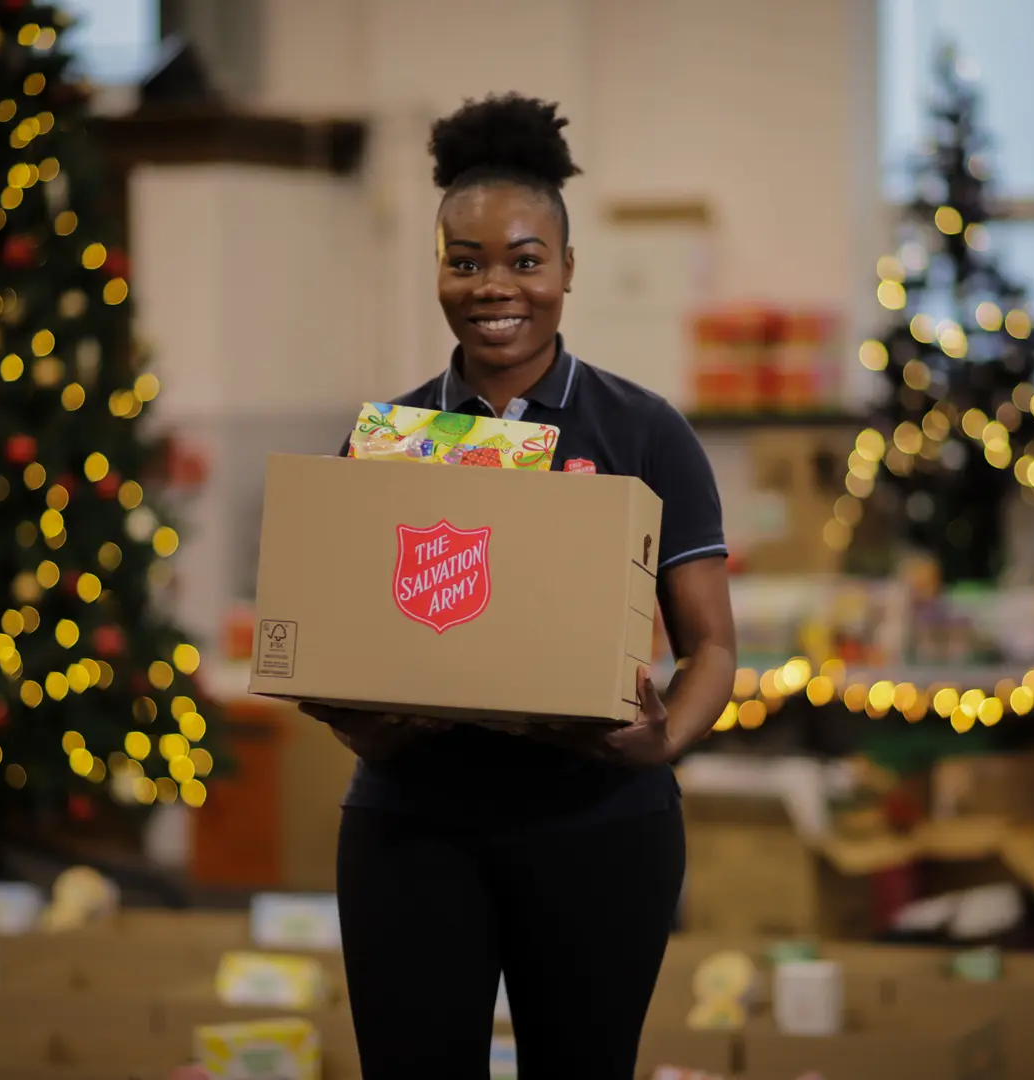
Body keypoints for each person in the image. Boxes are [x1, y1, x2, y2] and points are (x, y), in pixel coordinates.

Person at [300, 93, 736, 1080]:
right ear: (439, 268)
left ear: (568, 270)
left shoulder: (642, 432)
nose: (496, 287)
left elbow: (713, 646)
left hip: (599, 827)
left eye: (525, 260)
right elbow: (340, 644)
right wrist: (358, 724)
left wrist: (664, 737)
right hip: (411, 828)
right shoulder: (387, 442)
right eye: (466, 261)